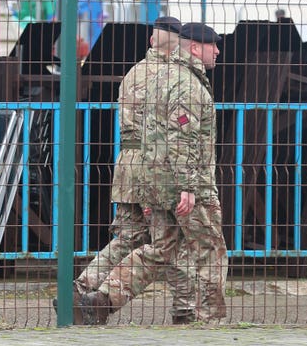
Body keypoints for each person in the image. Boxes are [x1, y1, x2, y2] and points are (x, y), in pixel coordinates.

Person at [79, 22, 228, 326]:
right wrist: (188, 185)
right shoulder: (186, 84)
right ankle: (208, 318)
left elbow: (148, 135)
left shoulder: (155, 77)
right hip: (187, 183)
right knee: (209, 249)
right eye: (213, 45)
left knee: (161, 249)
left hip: (153, 179)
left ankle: (102, 299)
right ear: (195, 48)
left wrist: (149, 185)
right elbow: (181, 137)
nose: (218, 51)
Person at [53, 16, 185, 324]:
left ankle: (78, 290)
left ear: (152, 41)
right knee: (166, 241)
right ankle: (104, 299)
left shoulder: (134, 73)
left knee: (127, 237)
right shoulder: (171, 77)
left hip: (127, 164)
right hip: (152, 164)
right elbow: (165, 132)